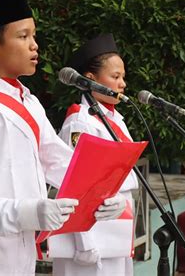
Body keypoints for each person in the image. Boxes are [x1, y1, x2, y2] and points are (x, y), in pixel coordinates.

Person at [0, 0, 127, 275]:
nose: (34, 46)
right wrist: (27, 212)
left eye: (34, 36)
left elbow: (59, 161)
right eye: (23, 36)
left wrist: (104, 194)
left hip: (23, 245)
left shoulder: (27, 100)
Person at [51, 34, 139, 276]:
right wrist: (85, 245)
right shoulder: (80, 123)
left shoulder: (113, 119)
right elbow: (75, 187)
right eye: (115, 77)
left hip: (115, 232)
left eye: (123, 76)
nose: (122, 84)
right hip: (92, 242)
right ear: (90, 80)